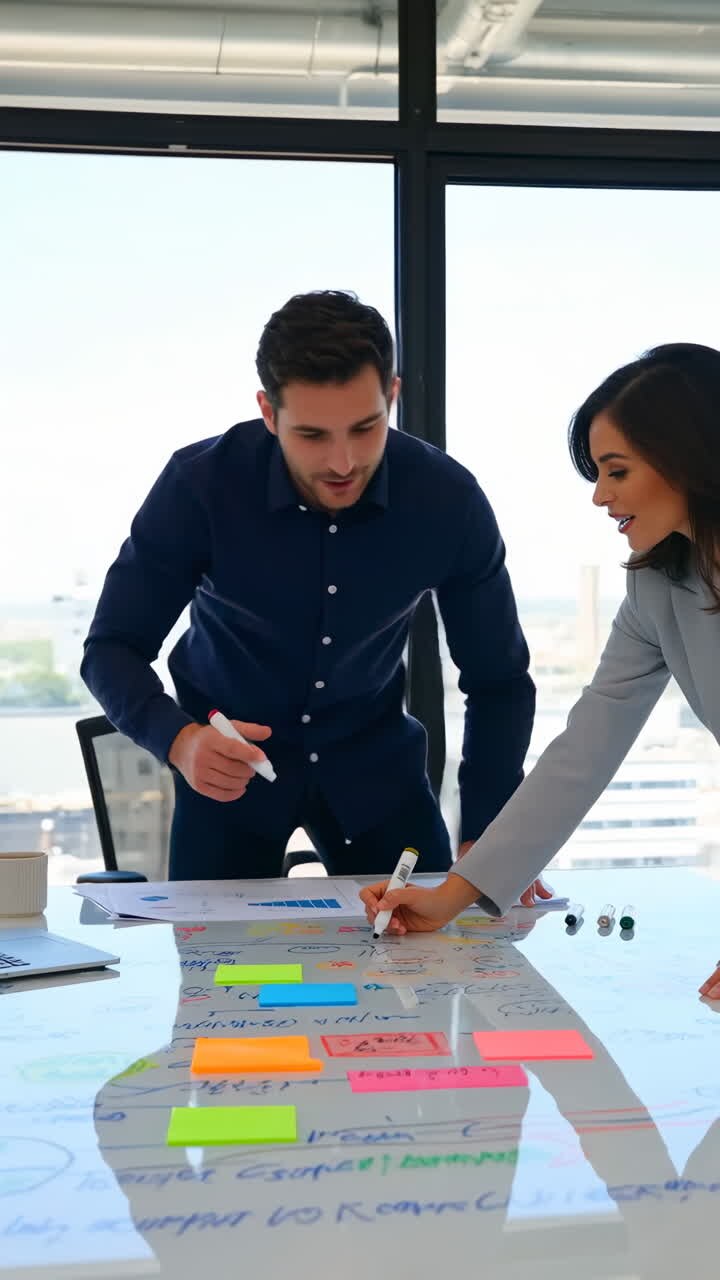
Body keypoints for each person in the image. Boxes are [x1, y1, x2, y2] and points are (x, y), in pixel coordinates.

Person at [82, 290, 536, 881]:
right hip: (227, 783)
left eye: (366, 428)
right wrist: (180, 741)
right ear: (269, 413)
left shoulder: (447, 499)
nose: (343, 462)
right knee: (217, 974)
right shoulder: (200, 487)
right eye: (313, 435)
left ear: (392, 397)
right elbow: (111, 647)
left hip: (379, 780)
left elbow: (498, 680)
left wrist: (488, 832)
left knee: (431, 967)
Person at [360, 341, 720, 998]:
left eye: (616, 471)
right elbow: (582, 752)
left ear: (686, 458)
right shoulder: (658, 588)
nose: (600, 497)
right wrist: (452, 897)